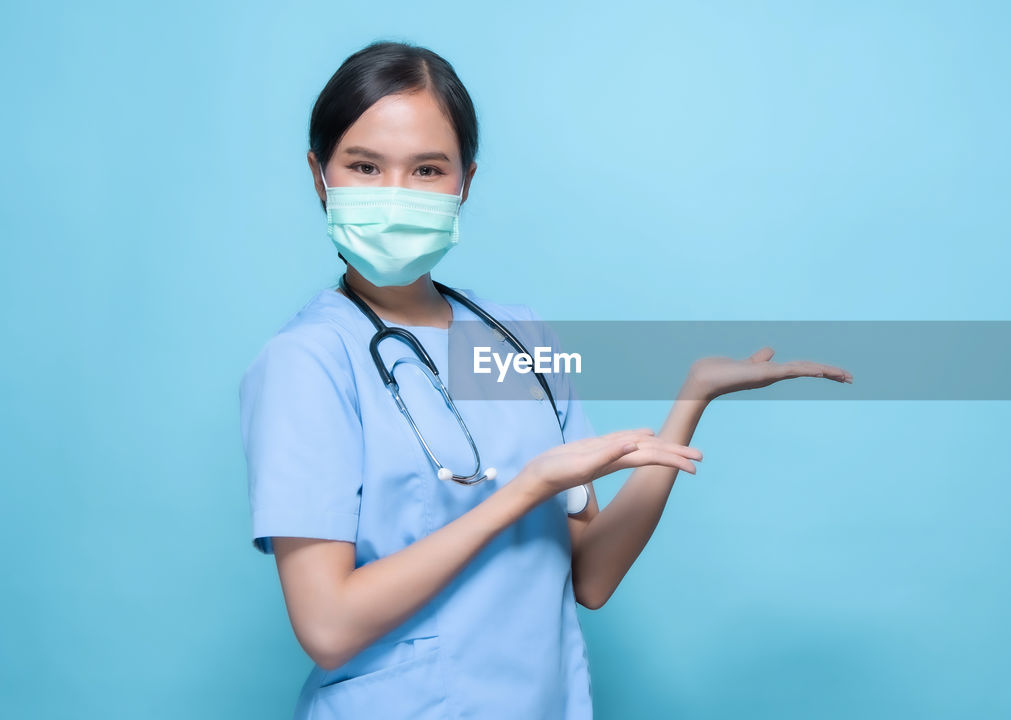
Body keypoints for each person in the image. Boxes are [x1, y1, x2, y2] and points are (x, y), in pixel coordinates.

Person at [238, 40, 852, 720]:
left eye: (427, 170)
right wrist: (526, 488)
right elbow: (327, 628)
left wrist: (692, 397)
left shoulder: (519, 340)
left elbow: (591, 575)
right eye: (364, 166)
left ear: (464, 182)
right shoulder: (309, 360)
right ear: (318, 176)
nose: (395, 195)